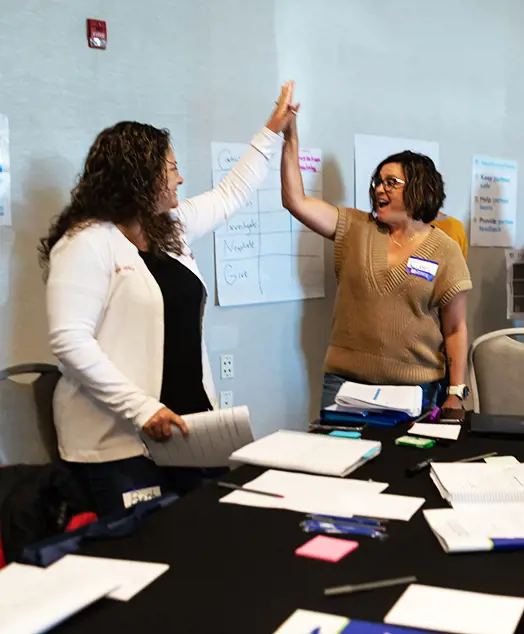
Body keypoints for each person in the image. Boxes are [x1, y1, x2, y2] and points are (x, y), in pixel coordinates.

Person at [39, 82, 296, 516]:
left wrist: (273, 129)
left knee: (204, 543)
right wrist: (142, 409)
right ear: (140, 177)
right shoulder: (85, 242)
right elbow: (69, 340)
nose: (180, 177)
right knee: (144, 556)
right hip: (118, 445)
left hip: (187, 433)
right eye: (171, 167)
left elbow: (231, 193)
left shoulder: (168, 227)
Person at [281, 113, 472, 412]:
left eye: (390, 182)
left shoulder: (445, 250)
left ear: (419, 188)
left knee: (407, 460)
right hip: (344, 386)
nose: (379, 189)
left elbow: (456, 329)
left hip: (415, 390)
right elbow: (296, 201)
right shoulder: (353, 227)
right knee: (337, 458)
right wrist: (290, 137)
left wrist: (455, 393)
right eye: (377, 182)